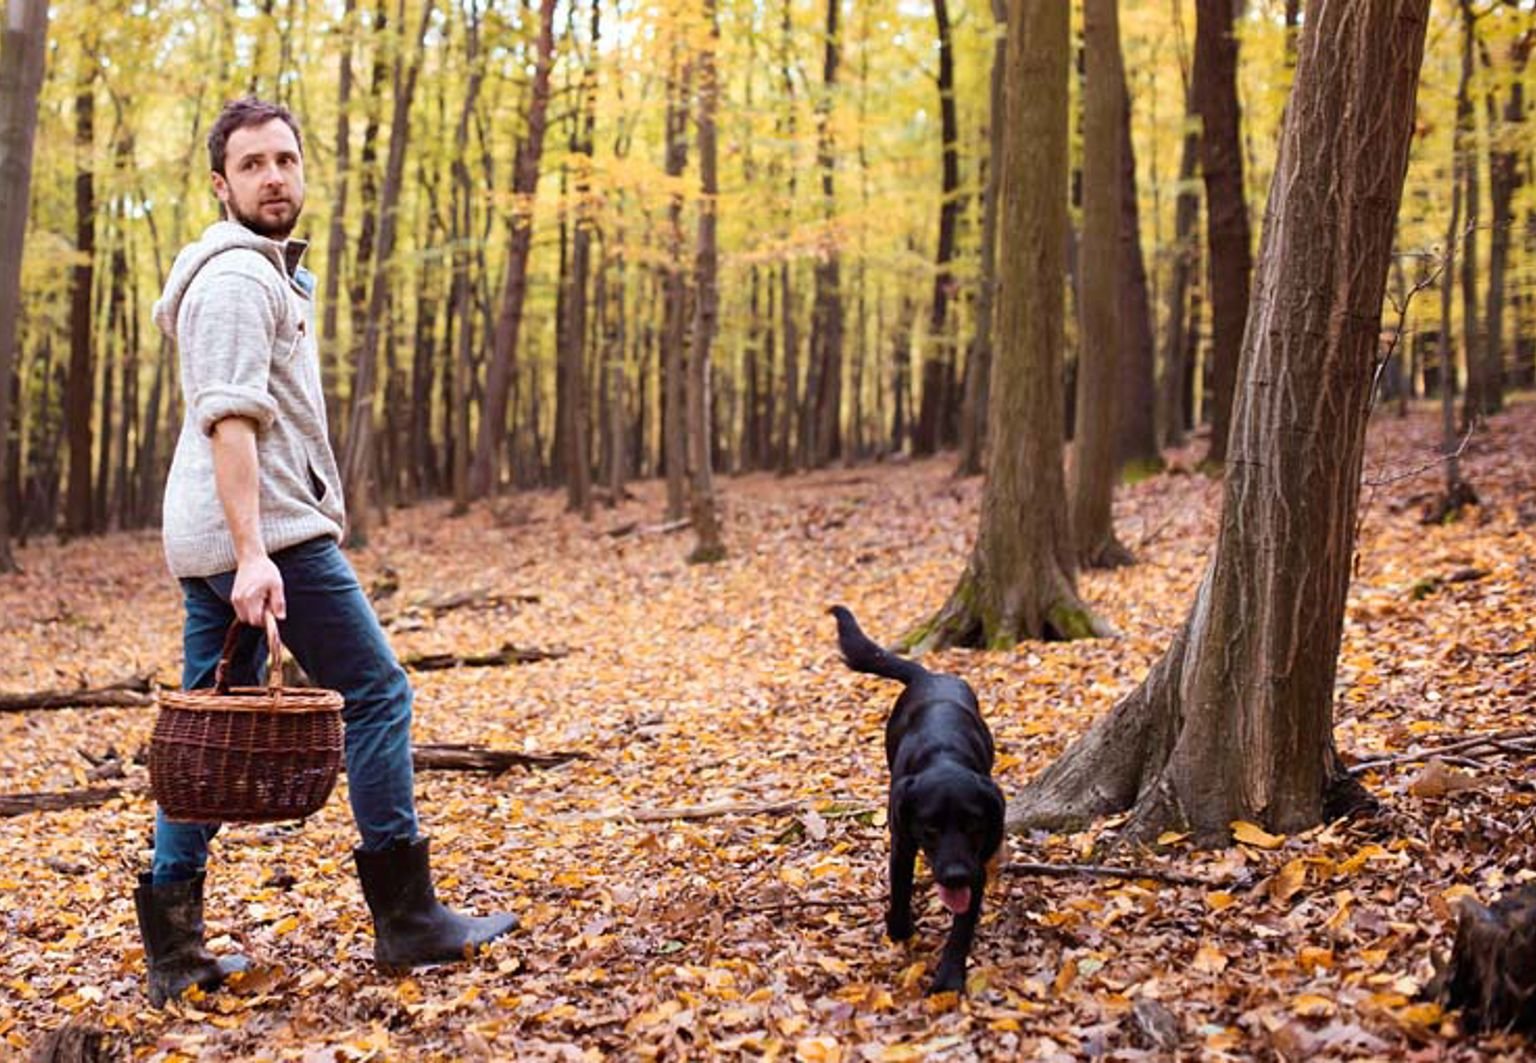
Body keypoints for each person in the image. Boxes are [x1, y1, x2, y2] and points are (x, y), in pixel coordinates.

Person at [136, 97, 516, 1008]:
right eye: (254, 165)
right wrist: (254, 551)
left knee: (203, 734)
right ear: (220, 184)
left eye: (285, 160)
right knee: (379, 688)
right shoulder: (235, 278)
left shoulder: (262, 272)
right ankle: (408, 915)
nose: (275, 177)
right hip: (264, 532)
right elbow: (229, 420)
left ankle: (174, 950)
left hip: (218, 534)